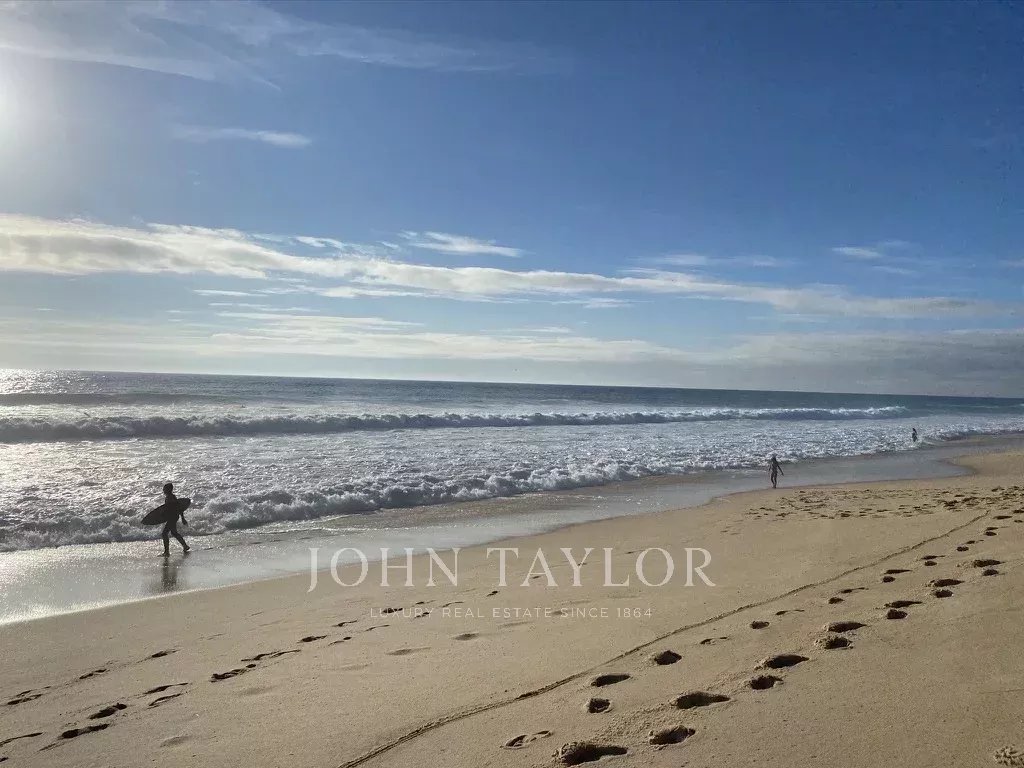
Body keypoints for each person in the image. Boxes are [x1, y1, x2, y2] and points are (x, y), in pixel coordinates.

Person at [160, 482, 190, 556]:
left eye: (164, 489)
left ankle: (167, 552)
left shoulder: (171, 497)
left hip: (172, 517)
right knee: (174, 533)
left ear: (168, 490)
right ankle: (185, 546)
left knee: (164, 533)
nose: (163, 490)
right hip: (173, 517)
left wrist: (183, 518)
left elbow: (179, 508)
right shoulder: (169, 497)